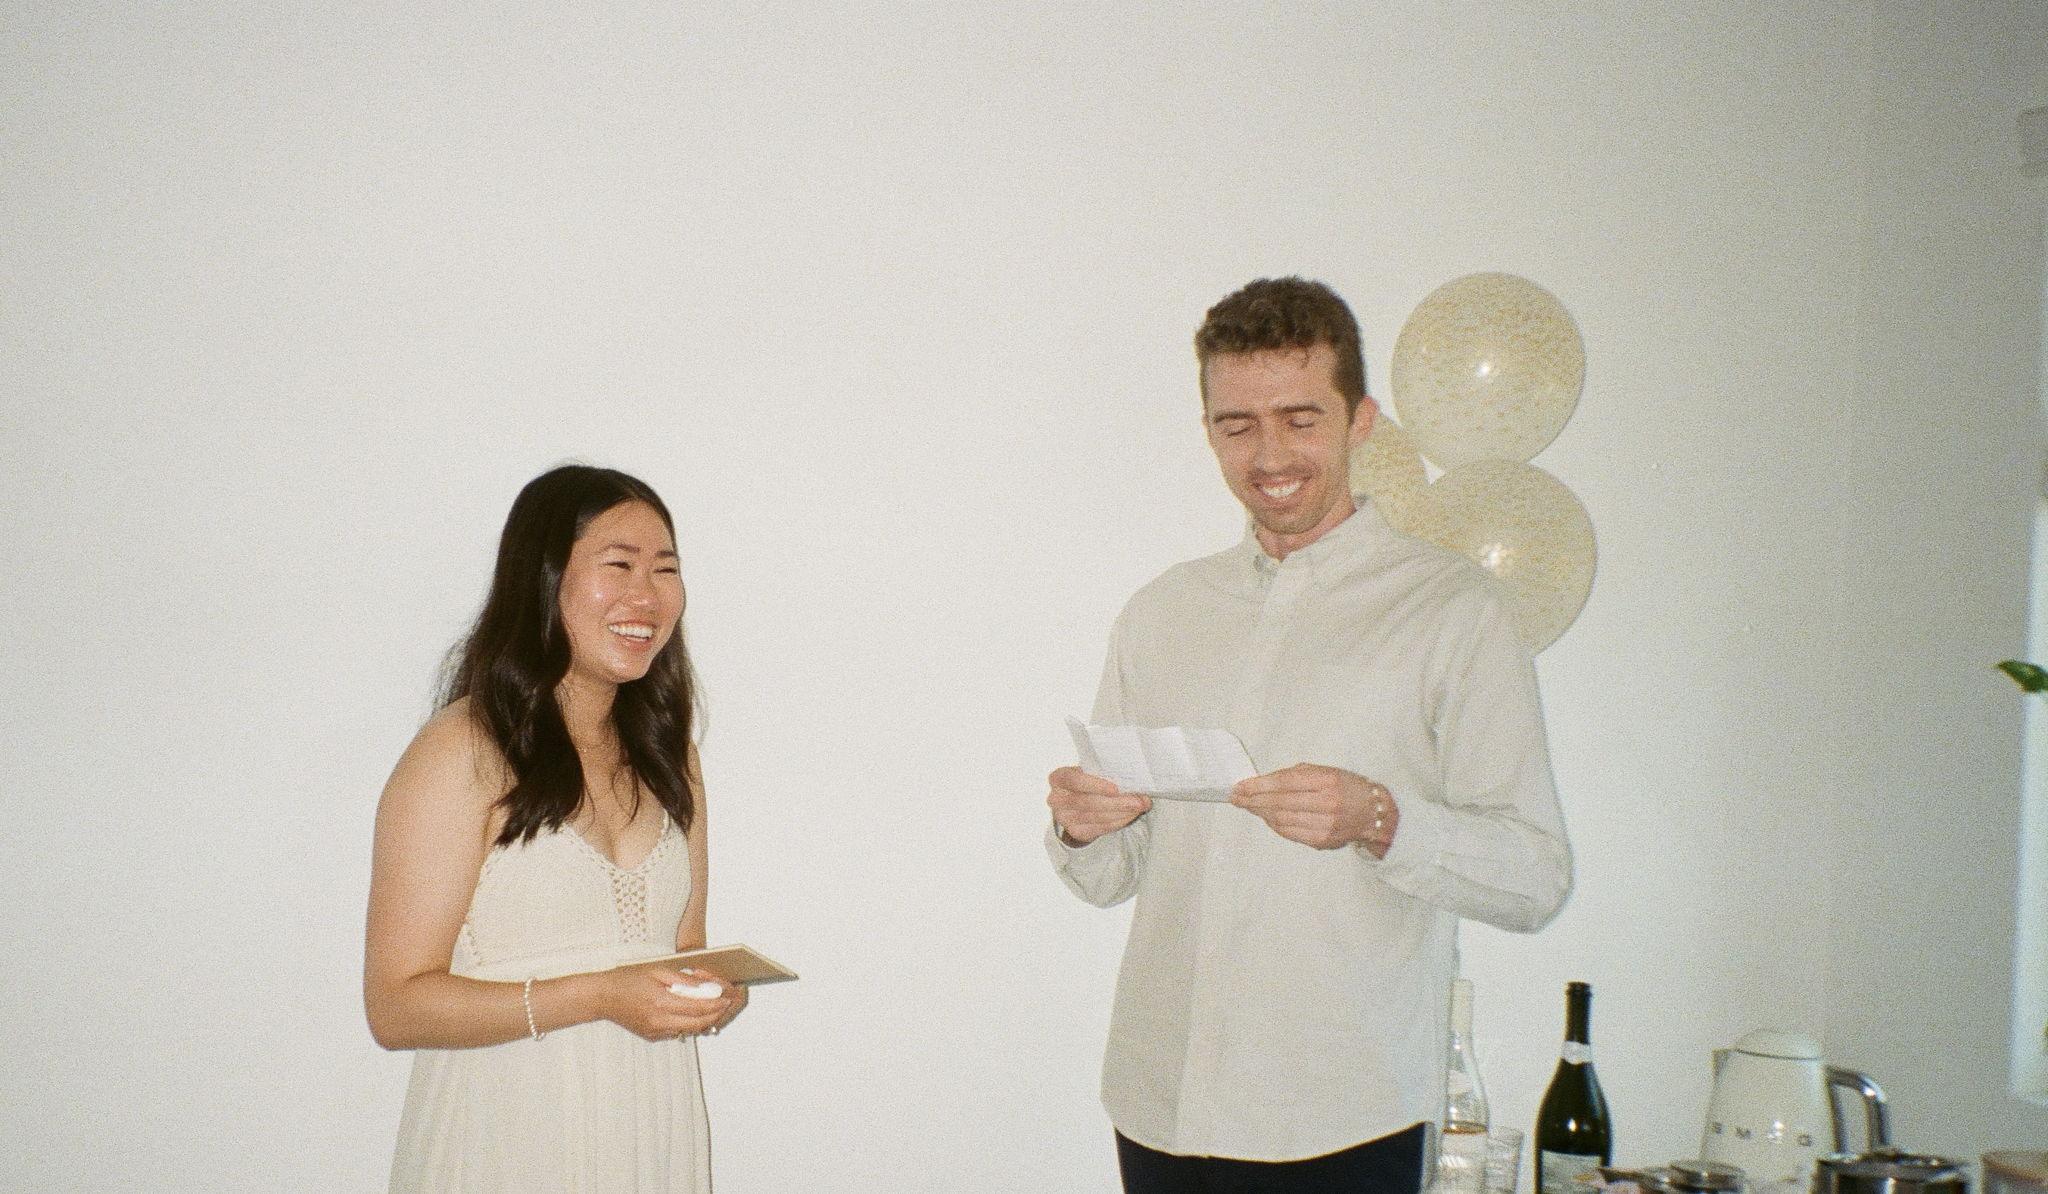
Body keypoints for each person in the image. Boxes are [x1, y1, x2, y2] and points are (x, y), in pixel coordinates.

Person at [1046, 278, 1573, 1193]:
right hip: (1161, 1101)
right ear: (1209, 430)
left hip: (1343, 1118)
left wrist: (1380, 819)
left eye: (1300, 419)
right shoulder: (1162, 612)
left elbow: (1537, 878)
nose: (1269, 455)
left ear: (1360, 421)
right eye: (1237, 425)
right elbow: (1109, 878)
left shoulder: (1454, 611)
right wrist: (1083, 828)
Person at [365, 464, 745, 1193]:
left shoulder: (672, 757)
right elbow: (396, 1005)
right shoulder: (462, 749)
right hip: (505, 1132)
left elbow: (683, 947)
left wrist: (711, 988)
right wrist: (600, 996)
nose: (647, 595)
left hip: (646, 1127)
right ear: (544, 579)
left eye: (665, 570)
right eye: (619, 566)